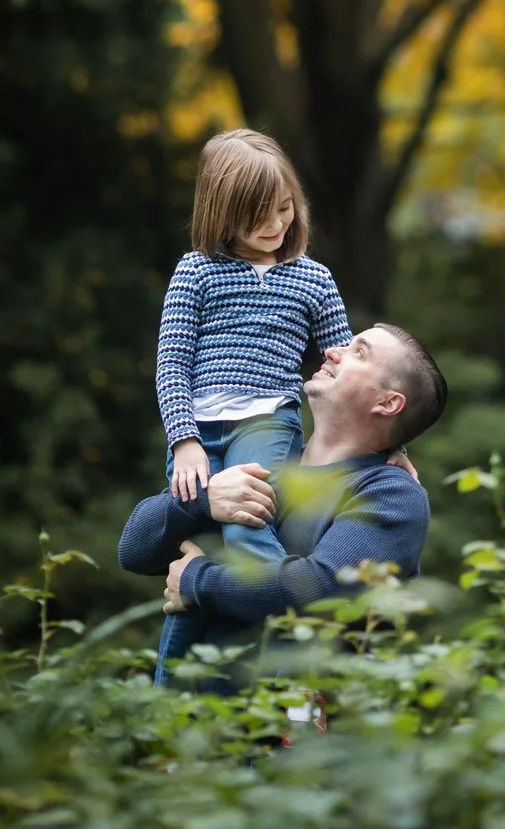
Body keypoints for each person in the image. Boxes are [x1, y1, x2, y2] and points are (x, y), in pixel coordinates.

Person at [119, 322, 447, 692]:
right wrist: (203, 501)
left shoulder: (390, 493)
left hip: (286, 736)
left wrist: (198, 580)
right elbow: (134, 551)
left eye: (359, 352)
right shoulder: (264, 462)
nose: (331, 351)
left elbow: (323, 592)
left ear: (388, 403)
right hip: (193, 726)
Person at [152, 127, 353, 679]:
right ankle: (170, 706)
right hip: (200, 428)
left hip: (267, 416)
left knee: (245, 527)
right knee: (198, 556)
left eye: (285, 208)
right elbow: (172, 365)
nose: (275, 225)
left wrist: (393, 443)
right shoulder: (195, 272)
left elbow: (345, 365)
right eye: (258, 216)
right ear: (221, 212)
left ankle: (292, 647)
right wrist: (185, 440)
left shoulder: (312, 279)